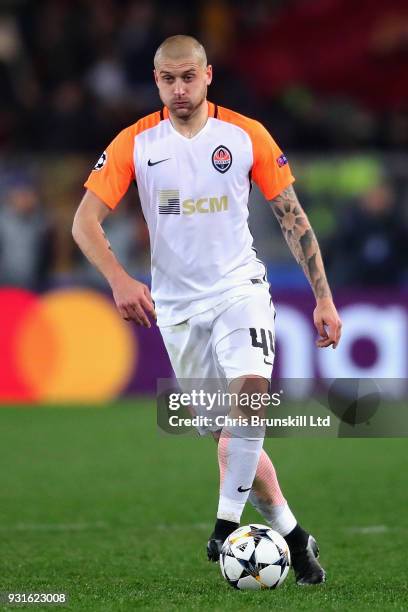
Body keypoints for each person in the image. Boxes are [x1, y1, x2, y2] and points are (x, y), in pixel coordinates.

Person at [72, 35, 342, 585]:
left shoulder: (246, 135)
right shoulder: (134, 143)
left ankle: (224, 527)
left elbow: (292, 217)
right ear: (156, 81)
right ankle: (293, 535)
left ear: (208, 75)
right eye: (168, 79)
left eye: (188, 77)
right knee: (228, 439)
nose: (179, 89)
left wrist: (323, 296)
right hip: (175, 308)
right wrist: (120, 278)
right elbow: (84, 222)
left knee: (251, 396)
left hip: (239, 288)